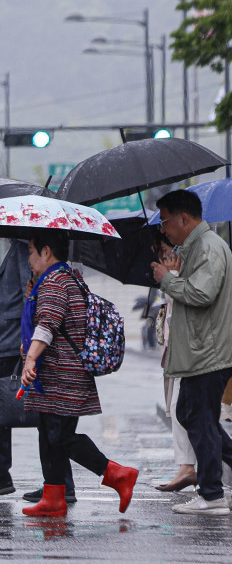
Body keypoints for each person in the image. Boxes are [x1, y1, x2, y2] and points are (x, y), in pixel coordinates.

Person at [19, 230, 138, 517]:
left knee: (59, 436)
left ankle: (117, 474)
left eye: (32, 253)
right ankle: (53, 496)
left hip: (62, 375)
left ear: (47, 252)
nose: (30, 260)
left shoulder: (55, 281)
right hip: (60, 375)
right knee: (50, 435)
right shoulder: (63, 278)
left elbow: (47, 325)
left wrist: (30, 359)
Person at [0, 240, 76, 502]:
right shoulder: (22, 243)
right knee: (46, 411)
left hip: (19, 343)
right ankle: (58, 482)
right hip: (19, 342)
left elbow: (38, 289)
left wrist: (31, 353)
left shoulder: (31, 244)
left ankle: (2, 474)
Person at [151, 189, 232, 515]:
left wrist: (168, 279)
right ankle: (211, 490)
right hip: (199, 350)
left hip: (208, 352)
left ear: (184, 218)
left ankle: (212, 495)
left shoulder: (209, 248)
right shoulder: (196, 247)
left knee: (199, 416)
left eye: (165, 221)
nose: (164, 230)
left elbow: (201, 293)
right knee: (191, 413)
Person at [152, 236, 197, 493]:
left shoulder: (184, 276)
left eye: (167, 252)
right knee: (177, 409)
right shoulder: (174, 278)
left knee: (186, 411)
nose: (164, 258)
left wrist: (170, 278)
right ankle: (186, 467)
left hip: (189, 355)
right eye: (162, 254)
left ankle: (190, 469)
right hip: (175, 353)